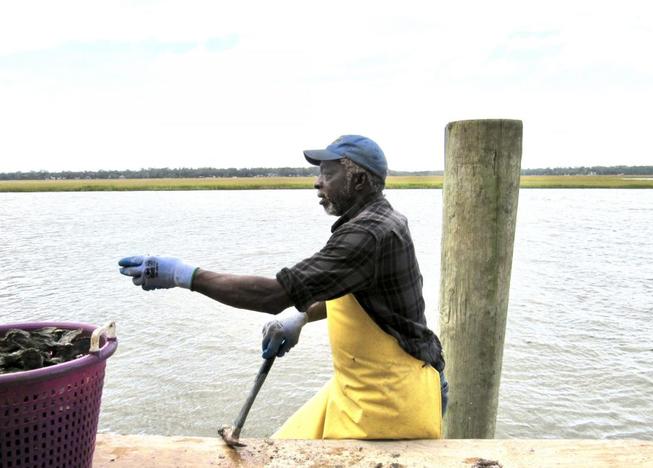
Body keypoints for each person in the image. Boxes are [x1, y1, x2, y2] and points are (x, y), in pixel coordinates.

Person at [118, 135, 448, 439]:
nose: (318, 183)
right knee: (283, 444)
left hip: (391, 397)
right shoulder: (378, 219)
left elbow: (273, 294)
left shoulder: (367, 234)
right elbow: (355, 293)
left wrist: (184, 275)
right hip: (359, 386)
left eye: (328, 173)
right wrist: (302, 318)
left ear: (359, 180)